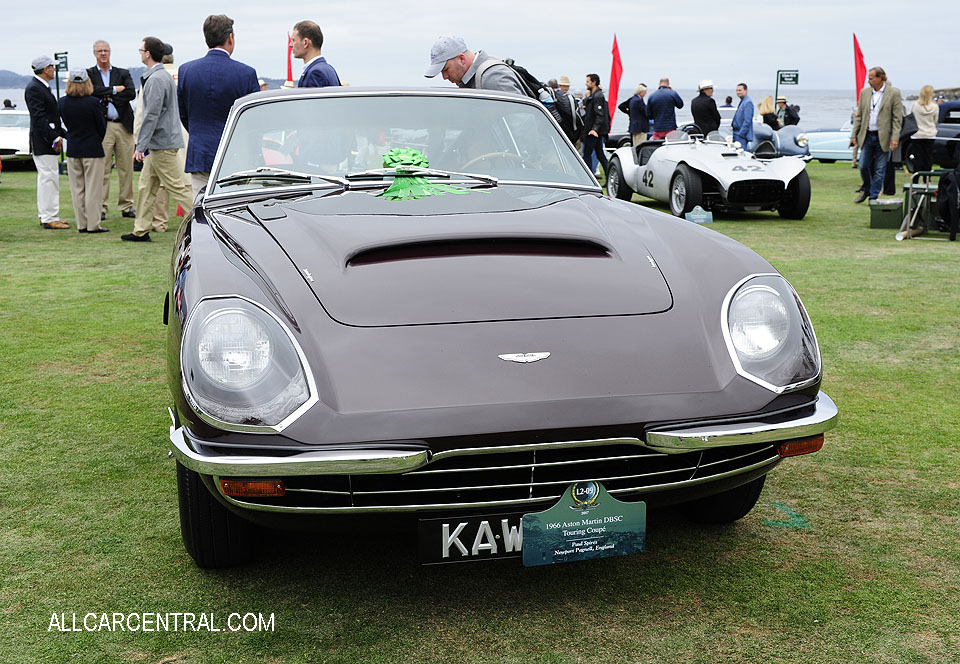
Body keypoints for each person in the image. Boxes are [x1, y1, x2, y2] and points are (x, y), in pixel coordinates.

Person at [121, 37, 195, 243]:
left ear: (148, 53)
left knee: (178, 187)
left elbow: (151, 115)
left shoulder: (155, 79)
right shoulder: (161, 77)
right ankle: (140, 230)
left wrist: (140, 146)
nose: (140, 53)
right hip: (160, 144)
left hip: (162, 144)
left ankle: (206, 221)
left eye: (141, 50)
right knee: (146, 187)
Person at [179, 14, 260, 197]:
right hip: (236, 156)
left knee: (201, 212)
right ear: (230, 38)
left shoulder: (186, 71)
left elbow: (184, 114)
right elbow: (254, 119)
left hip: (200, 153)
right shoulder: (245, 73)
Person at [87, 40, 137, 221]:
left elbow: (131, 92)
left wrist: (108, 96)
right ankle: (101, 207)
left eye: (106, 50)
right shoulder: (90, 73)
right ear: (94, 53)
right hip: (103, 126)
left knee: (126, 168)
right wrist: (115, 90)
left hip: (123, 125)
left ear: (110, 52)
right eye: (100, 51)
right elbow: (91, 91)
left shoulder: (122, 73)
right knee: (103, 168)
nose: (103, 54)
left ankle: (127, 205)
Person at [58, 69, 108, 233]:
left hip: (73, 148)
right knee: (93, 189)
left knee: (77, 189)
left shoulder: (62, 102)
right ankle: (93, 224)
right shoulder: (94, 102)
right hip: (92, 148)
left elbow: (60, 125)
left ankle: (82, 223)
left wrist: (68, 136)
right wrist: (95, 138)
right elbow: (102, 127)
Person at [25, 55, 68, 229]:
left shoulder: (41, 87)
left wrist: (63, 133)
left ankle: (48, 215)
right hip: (43, 141)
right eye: (52, 66)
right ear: (45, 69)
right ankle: (49, 217)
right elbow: (39, 117)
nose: (54, 69)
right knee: (48, 178)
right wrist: (54, 137)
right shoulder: (35, 88)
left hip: (47, 139)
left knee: (49, 178)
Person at [850, 66, 902, 203]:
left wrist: (895, 138)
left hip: (883, 137)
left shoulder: (894, 93)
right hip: (867, 135)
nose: (868, 81)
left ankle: (873, 196)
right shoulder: (864, 93)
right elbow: (860, 116)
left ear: (880, 78)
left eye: (871, 78)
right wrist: (853, 135)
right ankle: (867, 188)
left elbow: (897, 119)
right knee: (863, 166)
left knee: (880, 169)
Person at [423, 36, 525, 95]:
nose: (445, 77)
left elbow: (521, 122)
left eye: (446, 69)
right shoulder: (477, 79)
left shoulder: (492, 78)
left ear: (461, 59)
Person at [292, 21, 340, 88]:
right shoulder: (329, 69)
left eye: (293, 40)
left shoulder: (315, 73)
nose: (290, 45)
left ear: (305, 43)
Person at [581, 73, 609, 177]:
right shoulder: (593, 96)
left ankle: (588, 177)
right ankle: (608, 175)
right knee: (600, 154)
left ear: (594, 82)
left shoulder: (598, 96)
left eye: (588, 81)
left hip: (593, 131)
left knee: (587, 154)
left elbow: (600, 115)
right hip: (593, 130)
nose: (586, 83)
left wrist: (594, 129)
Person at [909, 85, 938, 174]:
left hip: (917, 134)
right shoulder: (935, 107)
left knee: (917, 157)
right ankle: (927, 179)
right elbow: (935, 120)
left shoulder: (915, 105)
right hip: (930, 134)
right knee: (928, 158)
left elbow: (912, 118)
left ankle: (915, 179)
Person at [551, 76, 581, 144]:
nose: (566, 88)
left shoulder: (568, 97)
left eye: (567, 86)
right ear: (559, 86)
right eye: (564, 86)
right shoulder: (559, 96)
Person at [731, 83, 754, 151]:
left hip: (741, 135)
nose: (738, 92)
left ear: (746, 90)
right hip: (736, 133)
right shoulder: (743, 102)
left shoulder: (748, 103)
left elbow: (747, 121)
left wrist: (741, 134)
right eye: (737, 90)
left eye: (740, 90)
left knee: (740, 155)